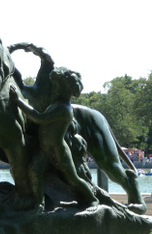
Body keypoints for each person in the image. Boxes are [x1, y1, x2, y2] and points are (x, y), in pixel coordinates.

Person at [9, 68, 98, 210]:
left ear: (66, 90)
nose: (54, 89)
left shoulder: (64, 109)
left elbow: (39, 118)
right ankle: (40, 203)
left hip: (58, 151)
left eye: (57, 86)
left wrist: (18, 101)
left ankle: (93, 199)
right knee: (34, 170)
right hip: (45, 150)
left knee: (73, 179)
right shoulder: (56, 104)